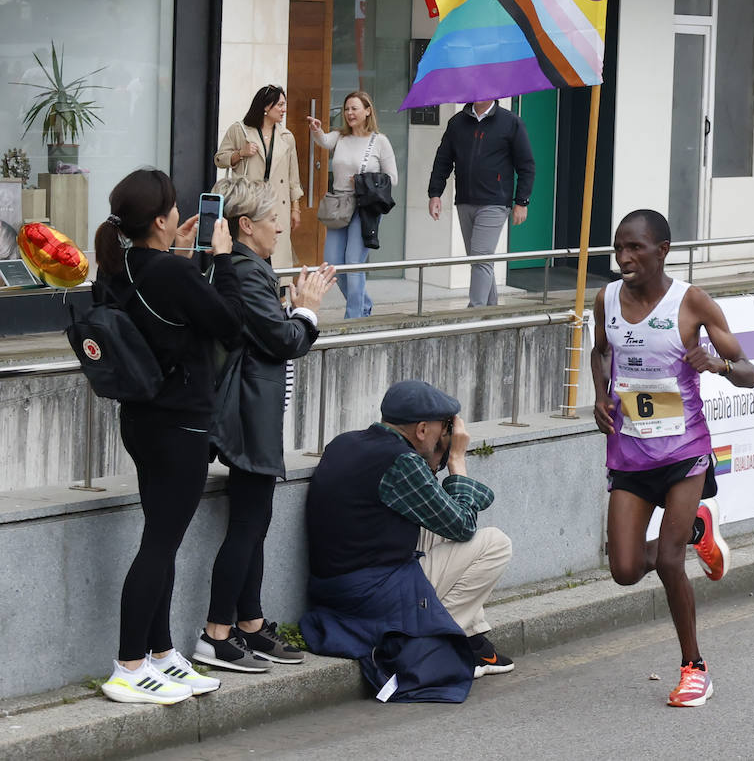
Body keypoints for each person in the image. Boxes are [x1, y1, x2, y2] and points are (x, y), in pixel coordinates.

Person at [591, 209, 754, 708]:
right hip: (630, 448)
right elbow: (601, 350)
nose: (624, 258)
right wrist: (601, 394)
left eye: (635, 248)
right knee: (623, 569)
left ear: (662, 249)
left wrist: (719, 363)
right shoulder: (606, 299)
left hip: (684, 449)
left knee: (667, 560)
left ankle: (694, 668)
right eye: (618, 248)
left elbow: (748, 371)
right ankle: (697, 531)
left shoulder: (691, 303)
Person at [94, 168, 244, 705]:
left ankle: (159, 654)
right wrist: (222, 259)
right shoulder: (169, 273)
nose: (183, 215)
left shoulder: (117, 267)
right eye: (175, 208)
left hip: (140, 419)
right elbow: (228, 323)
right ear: (161, 219)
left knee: (162, 536)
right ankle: (128, 665)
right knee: (161, 542)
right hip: (180, 421)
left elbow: (172, 317)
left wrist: (184, 258)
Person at [198, 178, 337, 674]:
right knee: (248, 525)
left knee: (255, 524)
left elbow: (268, 334)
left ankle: (250, 625)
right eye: (273, 216)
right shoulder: (244, 270)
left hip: (252, 411)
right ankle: (215, 632)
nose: (282, 224)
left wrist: (292, 304)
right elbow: (281, 340)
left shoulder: (250, 269)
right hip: (246, 415)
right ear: (245, 226)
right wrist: (306, 309)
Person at [301, 380, 514, 702]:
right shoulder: (401, 462)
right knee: (494, 543)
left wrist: (436, 454)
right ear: (423, 429)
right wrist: (456, 460)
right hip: (371, 594)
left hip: (335, 587)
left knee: (430, 525)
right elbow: (463, 525)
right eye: (445, 428)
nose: (449, 434)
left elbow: (432, 508)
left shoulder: (345, 442)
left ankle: (471, 638)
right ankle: (439, 638)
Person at [426, 100, 536, 307]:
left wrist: (521, 201)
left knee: (481, 256)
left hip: (495, 201)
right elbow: (443, 160)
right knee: (479, 260)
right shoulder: (457, 122)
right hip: (465, 200)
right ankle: (491, 310)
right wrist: (435, 194)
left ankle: (474, 312)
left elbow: (526, 165)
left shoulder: (511, 122)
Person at [306, 90, 398, 319]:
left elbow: (392, 178)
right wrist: (316, 129)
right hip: (339, 205)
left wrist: (363, 181)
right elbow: (324, 141)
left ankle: (354, 316)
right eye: (347, 109)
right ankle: (363, 303)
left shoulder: (380, 141)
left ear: (367, 111)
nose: (349, 113)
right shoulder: (340, 137)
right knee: (334, 263)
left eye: (355, 108)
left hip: (365, 207)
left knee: (353, 261)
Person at [215, 85, 303, 270]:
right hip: (250, 204)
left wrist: (296, 209)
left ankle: (278, 295)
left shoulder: (287, 137)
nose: (283, 109)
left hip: (278, 204)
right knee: (250, 248)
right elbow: (219, 159)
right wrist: (240, 153)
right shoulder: (240, 131)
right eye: (279, 105)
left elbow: (293, 177)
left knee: (278, 256)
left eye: (284, 105)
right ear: (266, 107)